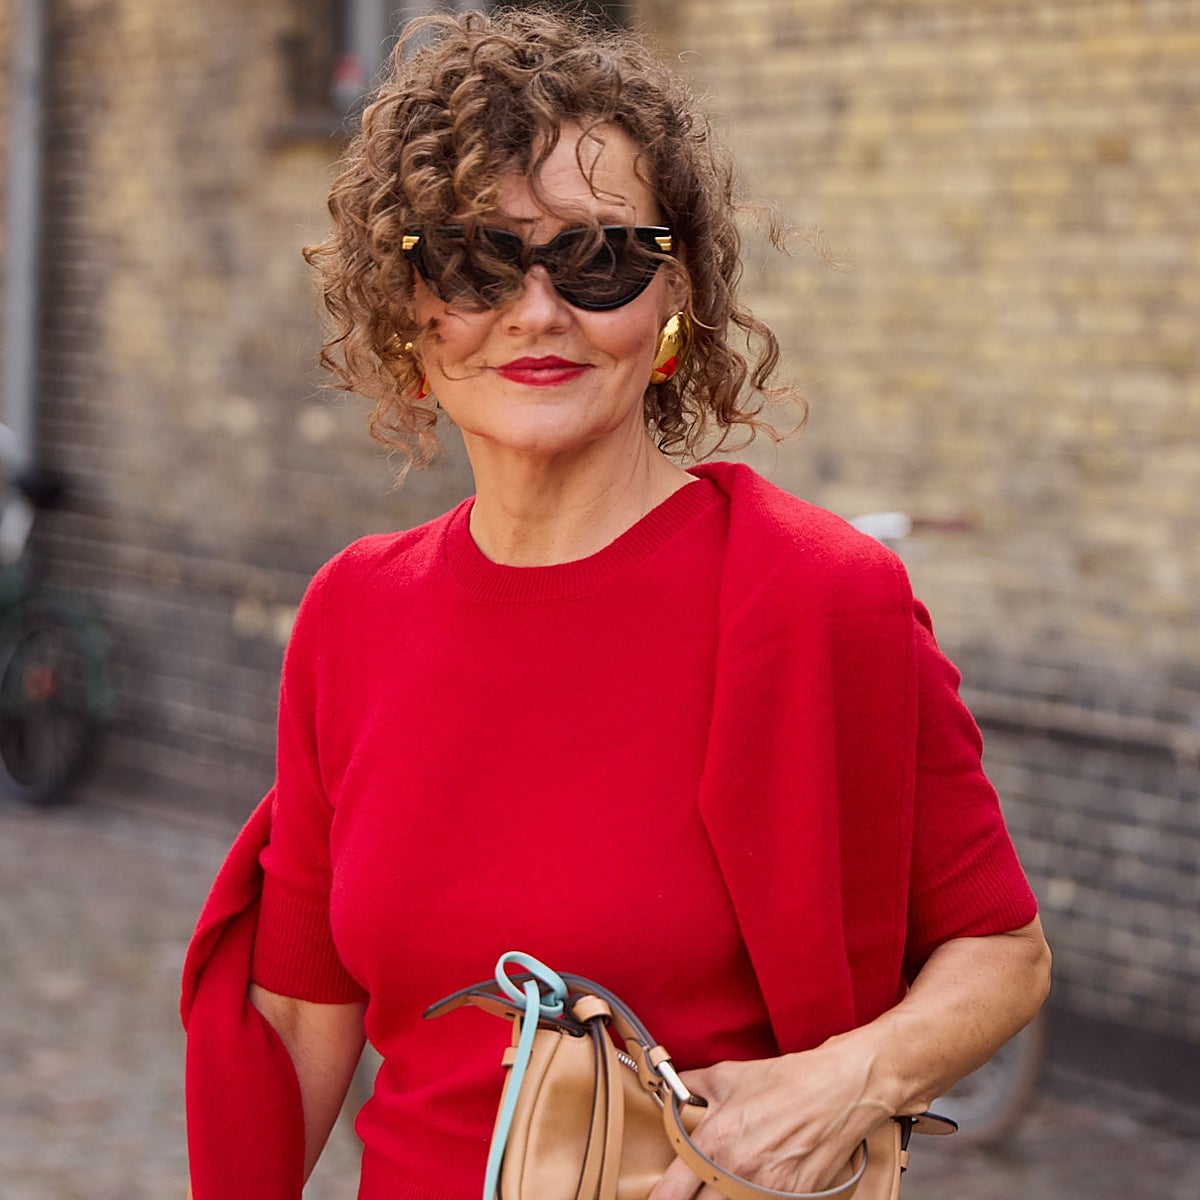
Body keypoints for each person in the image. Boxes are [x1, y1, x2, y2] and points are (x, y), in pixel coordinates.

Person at [182, 9, 1050, 1200]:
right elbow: (295, 1017)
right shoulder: (354, 612)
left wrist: (853, 1077)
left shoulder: (820, 597)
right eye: (477, 261)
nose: (537, 313)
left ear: (672, 296)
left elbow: (1002, 951)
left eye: (598, 261)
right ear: (410, 303)